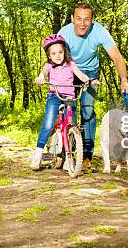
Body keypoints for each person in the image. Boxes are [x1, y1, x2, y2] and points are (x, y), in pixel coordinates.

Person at [58, 2, 128, 170]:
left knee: (88, 111)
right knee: (70, 108)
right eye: (78, 19)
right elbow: (53, 56)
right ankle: (69, 150)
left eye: (87, 19)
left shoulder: (99, 31)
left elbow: (117, 57)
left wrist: (124, 80)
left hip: (90, 74)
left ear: (92, 21)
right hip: (69, 71)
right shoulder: (64, 33)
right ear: (72, 19)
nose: (82, 23)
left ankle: (86, 156)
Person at [31, 34, 94, 170]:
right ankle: (37, 155)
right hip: (54, 96)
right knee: (48, 125)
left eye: (60, 52)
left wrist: (89, 81)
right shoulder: (48, 66)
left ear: (65, 52)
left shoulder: (71, 64)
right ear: (49, 55)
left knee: (72, 126)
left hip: (70, 98)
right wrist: (41, 78)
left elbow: (81, 75)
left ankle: (68, 158)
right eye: (54, 53)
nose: (58, 55)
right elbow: (43, 73)